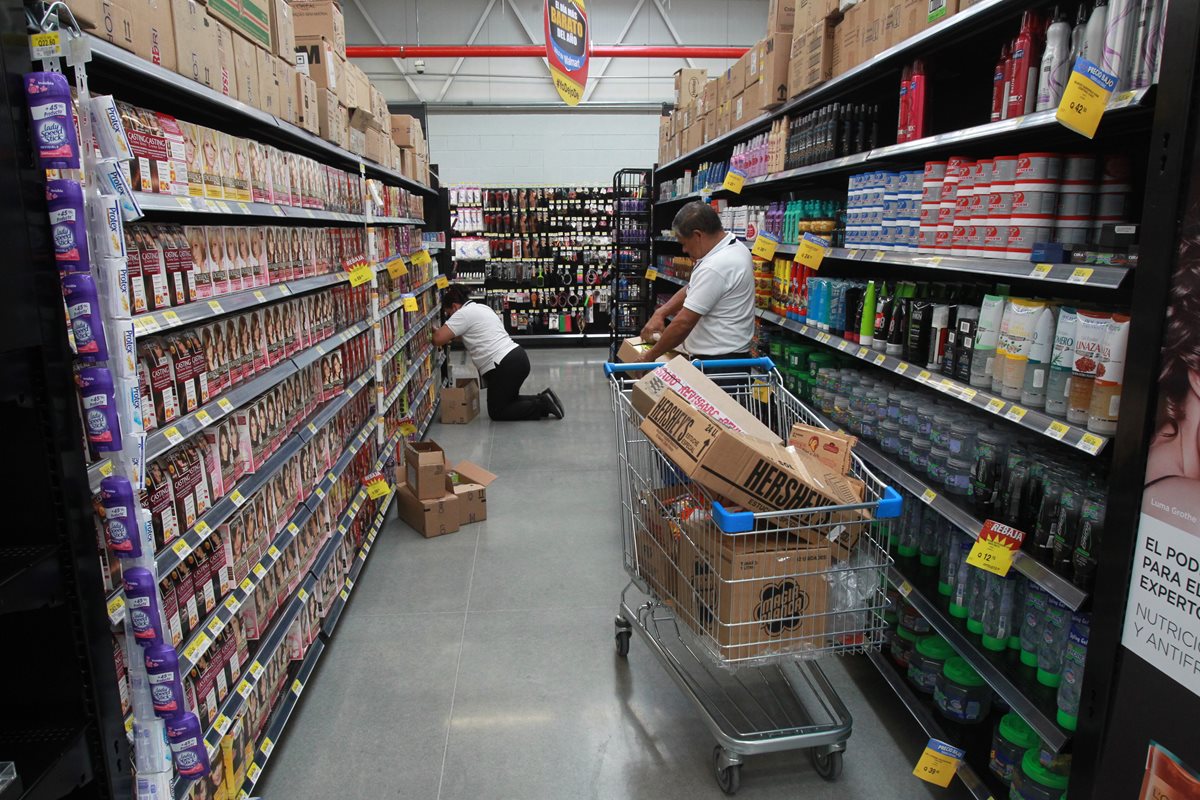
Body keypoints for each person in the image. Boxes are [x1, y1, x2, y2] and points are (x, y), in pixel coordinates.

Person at [638, 201, 755, 363]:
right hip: (726, 357)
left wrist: (649, 357)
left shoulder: (716, 265)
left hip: (719, 364)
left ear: (698, 235)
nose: (684, 250)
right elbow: (694, 286)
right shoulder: (734, 247)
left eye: (684, 243)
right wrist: (661, 312)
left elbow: (684, 323)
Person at [433, 285, 564, 420]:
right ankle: (545, 398)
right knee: (508, 400)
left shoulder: (462, 314)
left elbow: (438, 339)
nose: (450, 318)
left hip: (504, 365)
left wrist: (433, 331)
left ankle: (542, 405)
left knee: (498, 411)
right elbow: (471, 333)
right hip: (517, 357)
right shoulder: (481, 308)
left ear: (455, 306)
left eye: (449, 314)